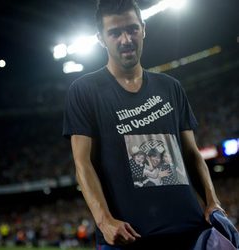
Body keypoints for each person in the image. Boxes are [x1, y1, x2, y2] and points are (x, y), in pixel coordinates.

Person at [63, 0, 226, 249]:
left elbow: (192, 153)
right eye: (115, 33)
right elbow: (82, 163)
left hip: (191, 231)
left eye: (132, 29)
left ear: (144, 29)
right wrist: (104, 221)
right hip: (128, 238)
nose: (126, 39)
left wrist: (212, 202)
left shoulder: (170, 87)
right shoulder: (84, 91)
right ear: (101, 38)